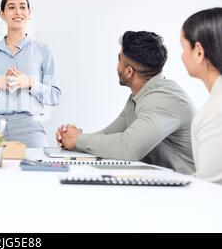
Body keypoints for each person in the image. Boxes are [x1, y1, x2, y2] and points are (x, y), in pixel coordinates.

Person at [56, 31, 196, 174]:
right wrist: (73, 139)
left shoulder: (165, 100)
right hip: (162, 181)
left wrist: (77, 140)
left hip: (189, 188)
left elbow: (128, 148)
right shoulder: (140, 95)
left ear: (129, 72)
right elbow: (107, 135)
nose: (117, 66)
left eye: (119, 61)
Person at [0, 0, 61, 147]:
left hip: (29, 126)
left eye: (22, 7)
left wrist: (30, 83)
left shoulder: (43, 51)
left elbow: (55, 96)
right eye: (11, 7)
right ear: (2, 14)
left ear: (29, 13)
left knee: (37, 168)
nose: (18, 12)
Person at [181, 7, 222, 184]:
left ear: (199, 52)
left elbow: (209, 187)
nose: (182, 56)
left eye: (183, 47)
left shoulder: (215, 112)